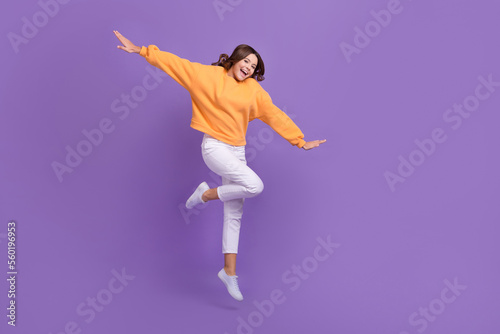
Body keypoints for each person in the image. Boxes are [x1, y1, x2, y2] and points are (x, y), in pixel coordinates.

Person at [113, 30, 326, 301]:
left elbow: (274, 114)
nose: (248, 68)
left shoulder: (254, 91)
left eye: (253, 66)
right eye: (246, 62)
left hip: (238, 151)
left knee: (234, 214)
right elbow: (176, 64)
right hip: (214, 147)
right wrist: (141, 50)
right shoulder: (208, 76)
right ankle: (205, 194)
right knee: (254, 185)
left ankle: (229, 273)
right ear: (234, 60)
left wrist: (299, 140)